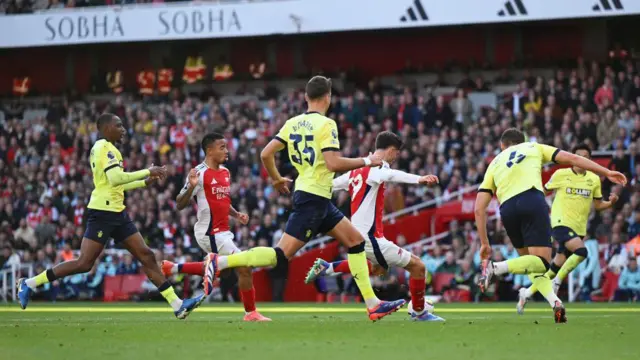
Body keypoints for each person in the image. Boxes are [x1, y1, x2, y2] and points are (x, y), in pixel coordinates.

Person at [203, 76, 406, 321]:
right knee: (280, 256)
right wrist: (367, 160)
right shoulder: (327, 124)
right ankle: (221, 261)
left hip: (316, 197)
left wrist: (276, 179)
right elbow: (332, 164)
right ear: (328, 97)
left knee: (355, 241)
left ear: (307, 97)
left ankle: (373, 305)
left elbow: (266, 153)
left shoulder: (293, 122)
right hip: (313, 198)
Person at [17, 113, 204, 319]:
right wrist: (146, 171)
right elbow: (115, 179)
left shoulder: (110, 149)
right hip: (103, 213)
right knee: (84, 264)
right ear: (106, 128)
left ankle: (177, 305)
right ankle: (29, 283)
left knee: (147, 256)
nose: (123, 129)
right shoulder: (103, 147)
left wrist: (145, 181)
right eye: (119, 125)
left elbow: (117, 183)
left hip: (117, 212)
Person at [474, 128, 626, 323]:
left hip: (508, 209)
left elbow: (479, 209)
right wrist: (606, 171)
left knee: (531, 266)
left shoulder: (494, 163)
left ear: (502, 146)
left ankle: (556, 303)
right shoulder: (534, 147)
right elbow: (574, 159)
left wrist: (484, 243)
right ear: (523, 141)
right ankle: (496, 268)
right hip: (531, 199)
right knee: (543, 262)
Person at [303, 131, 444, 321]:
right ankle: (419, 311)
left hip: (360, 236)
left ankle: (328, 268)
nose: (396, 157)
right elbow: (392, 175)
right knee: (418, 266)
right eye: (396, 153)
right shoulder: (377, 167)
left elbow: (332, 185)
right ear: (391, 150)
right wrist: (418, 179)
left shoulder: (356, 171)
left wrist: (307, 185)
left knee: (377, 268)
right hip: (370, 238)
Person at [161, 132, 271, 322]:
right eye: (222, 147)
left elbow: (222, 201)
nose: (227, 151)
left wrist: (236, 215)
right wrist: (190, 187)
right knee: (244, 266)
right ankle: (250, 313)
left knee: (226, 269)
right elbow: (179, 203)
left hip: (223, 232)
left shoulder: (226, 172)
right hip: (209, 232)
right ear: (209, 150)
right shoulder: (198, 173)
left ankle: (174, 268)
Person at [517, 144, 618, 313]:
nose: (581, 159)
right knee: (582, 252)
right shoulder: (561, 174)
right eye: (578, 156)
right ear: (572, 158)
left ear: (590, 160)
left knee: (553, 269)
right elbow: (542, 191)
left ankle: (526, 293)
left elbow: (599, 205)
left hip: (578, 229)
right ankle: (557, 282)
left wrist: (611, 203)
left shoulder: (593, 179)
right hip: (560, 223)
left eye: (585, 156)